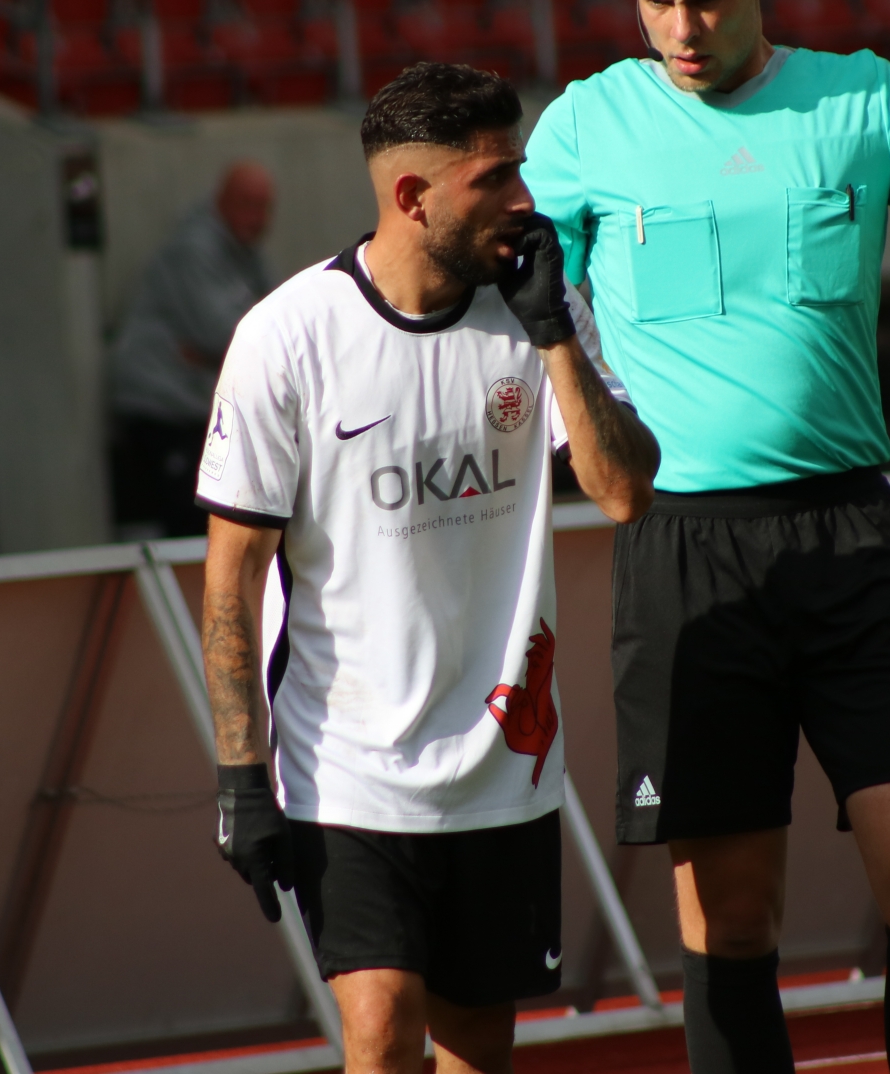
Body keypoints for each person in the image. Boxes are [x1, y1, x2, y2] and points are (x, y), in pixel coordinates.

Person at [521, 0, 890, 1073]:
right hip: (685, 555)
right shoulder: (585, 127)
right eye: (656, 0)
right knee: (732, 919)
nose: (681, 27)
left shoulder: (867, 99)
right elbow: (512, 308)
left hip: (851, 535)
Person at [198, 63, 660, 1074]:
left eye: (521, 170)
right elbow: (232, 575)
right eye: (495, 179)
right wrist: (240, 773)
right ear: (412, 196)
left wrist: (553, 335)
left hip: (504, 767)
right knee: (381, 1030)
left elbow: (626, 490)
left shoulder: (543, 309)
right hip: (345, 767)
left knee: (477, 1046)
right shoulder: (287, 337)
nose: (524, 199)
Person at [109, 160, 277, 538]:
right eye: (248, 205)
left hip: (200, 408)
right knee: (186, 528)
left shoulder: (246, 253)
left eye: (265, 207)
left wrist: (213, 354)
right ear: (222, 201)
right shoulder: (194, 250)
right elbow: (227, 335)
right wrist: (223, 350)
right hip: (161, 407)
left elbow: (275, 328)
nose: (258, 218)